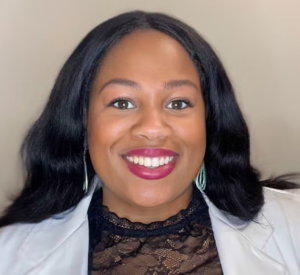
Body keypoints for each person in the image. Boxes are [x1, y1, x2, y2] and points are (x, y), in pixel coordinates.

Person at [0, 11, 299, 275]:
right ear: (83, 118)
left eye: (179, 103)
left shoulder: (293, 225)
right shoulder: (7, 255)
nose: (153, 128)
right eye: (122, 102)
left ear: (209, 119)